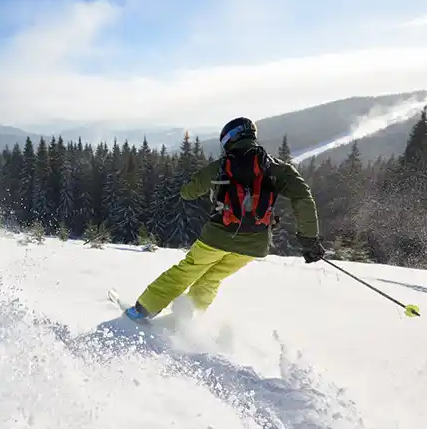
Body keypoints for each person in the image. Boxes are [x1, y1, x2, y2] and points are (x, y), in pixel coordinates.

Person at [125, 117, 326, 322]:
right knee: (213, 277)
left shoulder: (221, 166)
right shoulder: (280, 169)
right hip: (254, 244)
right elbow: (303, 199)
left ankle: (143, 309)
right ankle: (187, 318)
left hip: (217, 236)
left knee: (187, 271)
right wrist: (309, 240)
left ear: (228, 139)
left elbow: (188, 192)